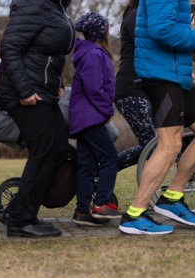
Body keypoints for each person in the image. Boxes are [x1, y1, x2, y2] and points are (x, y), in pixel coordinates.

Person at [118, 0, 195, 236]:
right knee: (170, 143)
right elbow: (161, 29)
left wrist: (192, 49)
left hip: (176, 73)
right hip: (161, 75)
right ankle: (134, 214)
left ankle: (172, 198)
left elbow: (165, 30)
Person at [0, 0, 74, 238]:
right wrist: (24, 89)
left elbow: (47, 54)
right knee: (44, 149)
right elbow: (10, 47)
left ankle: (20, 209)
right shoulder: (34, 3)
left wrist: (57, 82)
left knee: (60, 150)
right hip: (24, 91)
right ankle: (21, 220)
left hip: (43, 90)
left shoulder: (56, 8)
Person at [69, 12, 122, 227]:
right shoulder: (94, 54)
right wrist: (106, 110)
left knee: (87, 165)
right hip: (90, 117)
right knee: (110, 158)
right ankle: (101, 204)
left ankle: (82, 211)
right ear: (102, 32)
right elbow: (94, 88)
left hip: (85, 118)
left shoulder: (90, 52)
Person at [115, 0, 157, 172]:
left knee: (155, 144)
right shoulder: (135, 16)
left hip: (143, 90)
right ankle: (104, 169)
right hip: (131, 91)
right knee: (153, 146)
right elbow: (150, 46)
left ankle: (105, 168)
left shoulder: (144, 17)